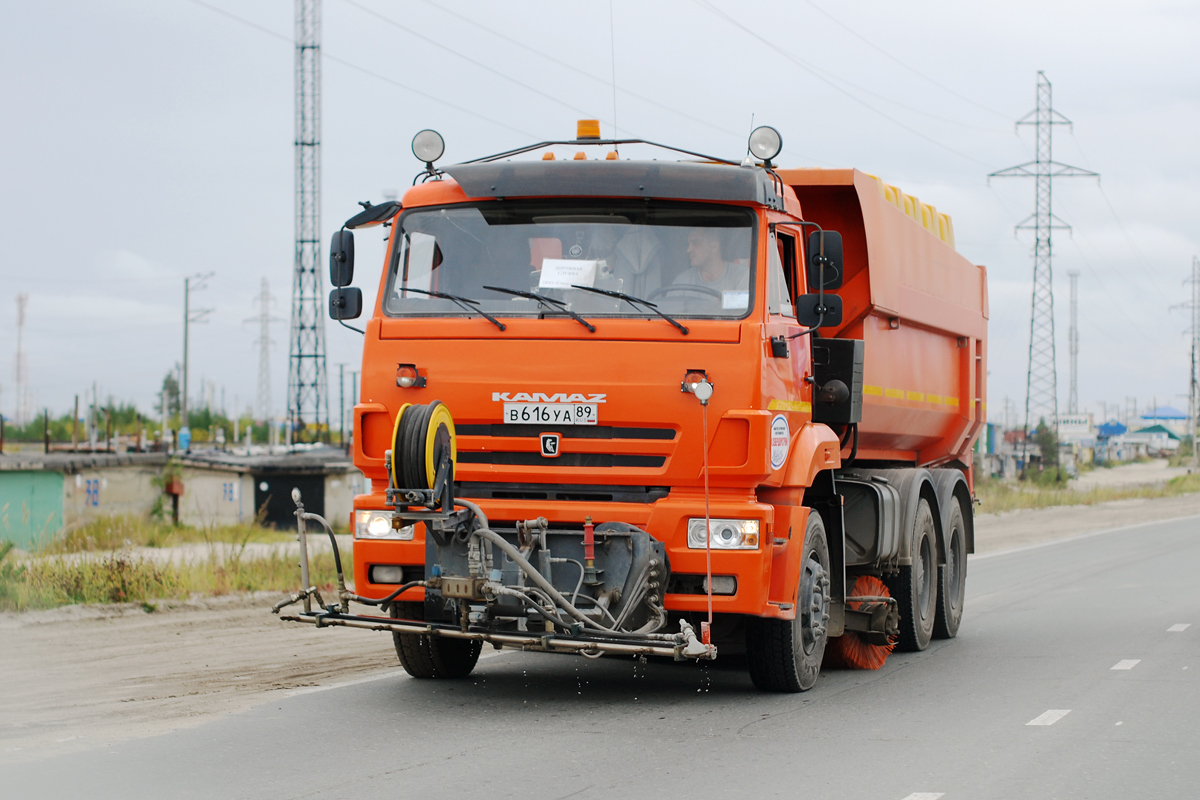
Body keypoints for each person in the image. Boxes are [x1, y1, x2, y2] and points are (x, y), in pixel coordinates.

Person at [672, 228, 748, 293]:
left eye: (696, 243)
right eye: (688, 244)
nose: (688, 250)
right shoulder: (682, 281)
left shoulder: (741, 276)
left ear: (714, 246)